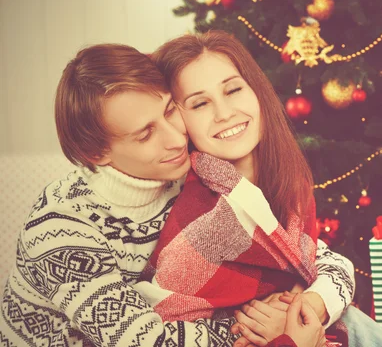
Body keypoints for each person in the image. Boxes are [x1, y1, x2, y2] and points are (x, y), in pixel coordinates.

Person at [0, 43, 333, 347]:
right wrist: (269, 328)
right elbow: (148, 341)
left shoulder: (188, 174)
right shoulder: (58, 232)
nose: (176, 139)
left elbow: (297, 253)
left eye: (170, 111)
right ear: (97, 153)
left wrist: (309, 304)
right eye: (146, 133)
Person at [145, 30, 382, 347]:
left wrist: (308, 307)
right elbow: (164, 323)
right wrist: (278, 333)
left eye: (233, 90)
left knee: (349, 319)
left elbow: (329, 262)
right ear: (178, 121)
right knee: (351, 322)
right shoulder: (199, 218)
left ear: (257, 92)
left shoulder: (284, 183)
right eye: (200, 103)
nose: (225, 113)